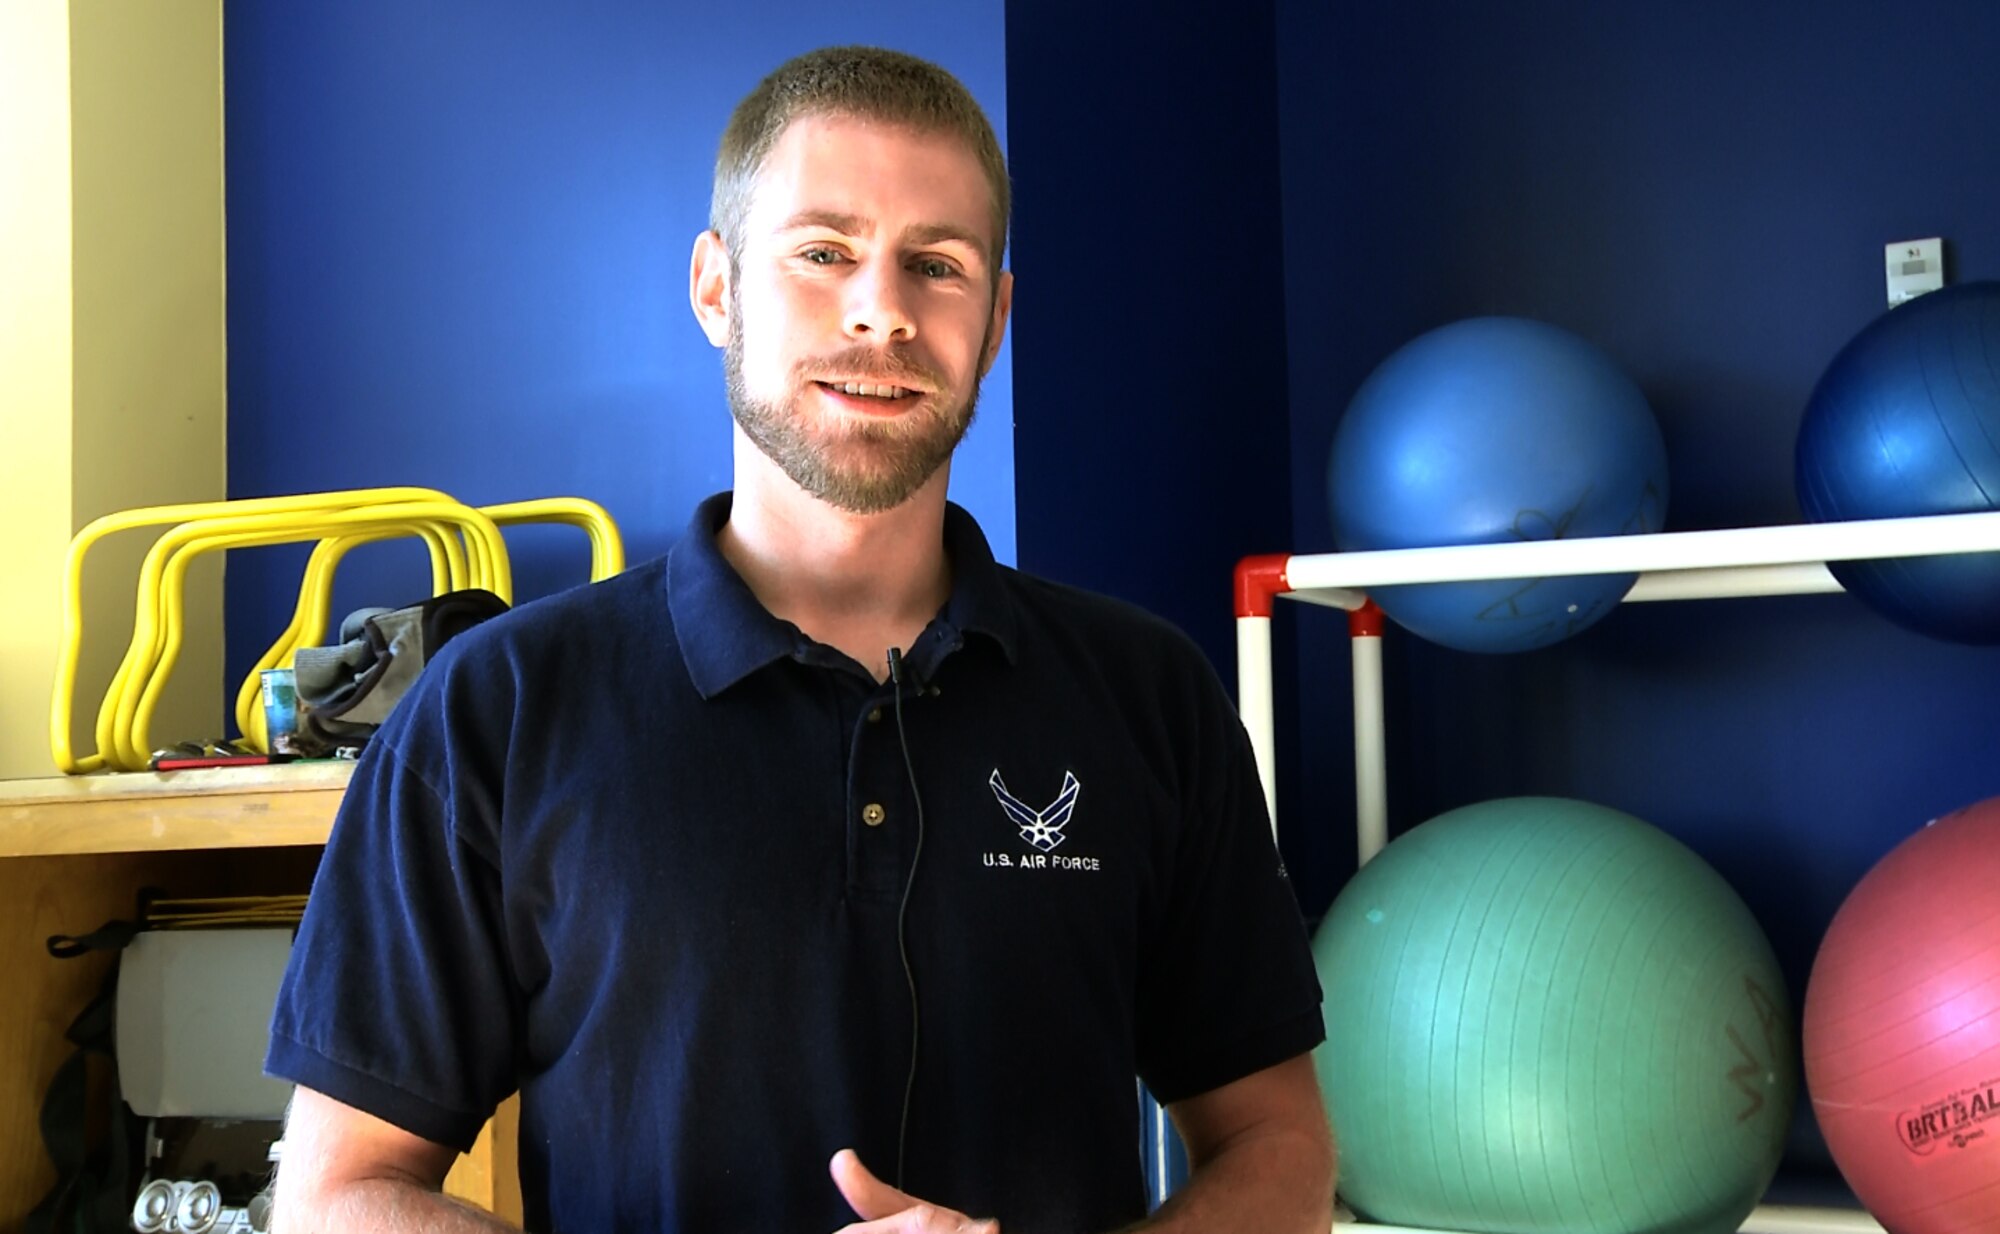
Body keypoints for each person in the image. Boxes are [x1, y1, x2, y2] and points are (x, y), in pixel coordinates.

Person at [266, 45, 1334, 1233]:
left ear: (994, 322)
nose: (881, 308)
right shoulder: (499, 710)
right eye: (823, 253)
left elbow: (1278, 1150)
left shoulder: (1149, 697)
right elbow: (338, 1197)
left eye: (937, 265)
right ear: (715, 286)